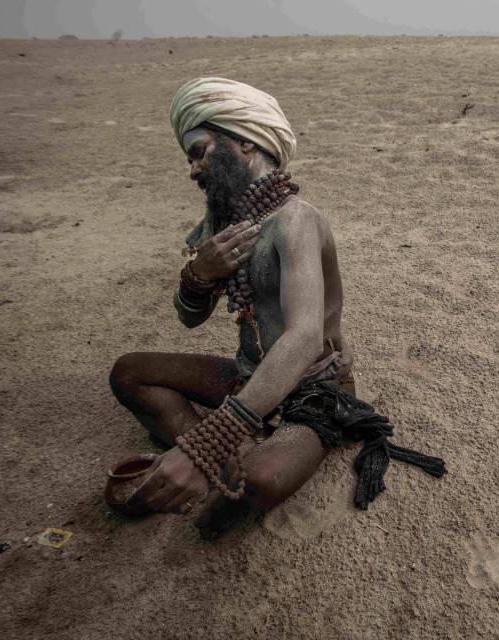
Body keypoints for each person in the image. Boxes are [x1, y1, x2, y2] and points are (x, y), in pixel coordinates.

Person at [108, 77, 355, 525]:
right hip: (250, 374)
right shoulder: (225, 225)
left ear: (244, 142)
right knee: (129, 372)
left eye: (199, 151)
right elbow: (190, 319)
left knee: (253, 483)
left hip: (313, 388)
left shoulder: (295, 221)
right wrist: (197, 277)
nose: (193, 170)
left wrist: (218, 431)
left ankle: (206, 459)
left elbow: (303, 338)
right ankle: (207, 463)